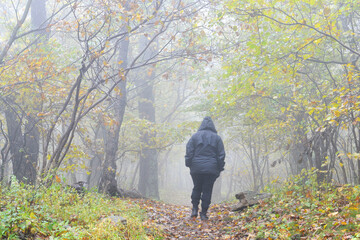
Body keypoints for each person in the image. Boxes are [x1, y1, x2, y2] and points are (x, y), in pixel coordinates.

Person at [185, 116, 225, 220]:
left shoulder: (194, 137)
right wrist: (219, 168)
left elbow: (189, 152)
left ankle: (194, 209)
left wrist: (189, 164)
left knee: (197, 187)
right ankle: (203, 213)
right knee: (207, 190)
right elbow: (221, 155)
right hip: (211, 168)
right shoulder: (217, 138)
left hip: (196, 167)